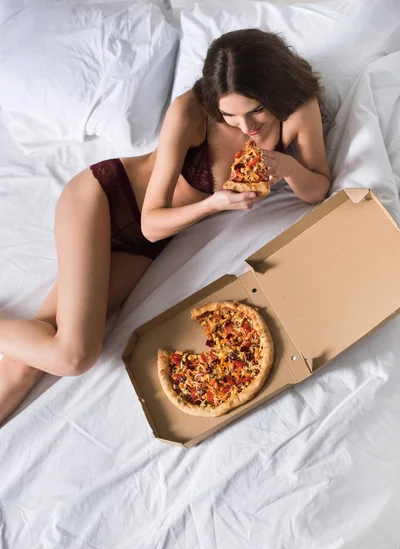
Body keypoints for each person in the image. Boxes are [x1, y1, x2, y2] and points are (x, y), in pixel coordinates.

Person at [0, 28, 330, 426]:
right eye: (230, 116)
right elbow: (153, 223)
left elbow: (317, 188)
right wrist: (213, 203)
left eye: (256, 111)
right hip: (103, 200)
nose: (245, 127)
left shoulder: (298, 108)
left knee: (29, 362)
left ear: (274, 89)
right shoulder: (191, 110)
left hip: (141, 247)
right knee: (74, 355)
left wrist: (289, 167)